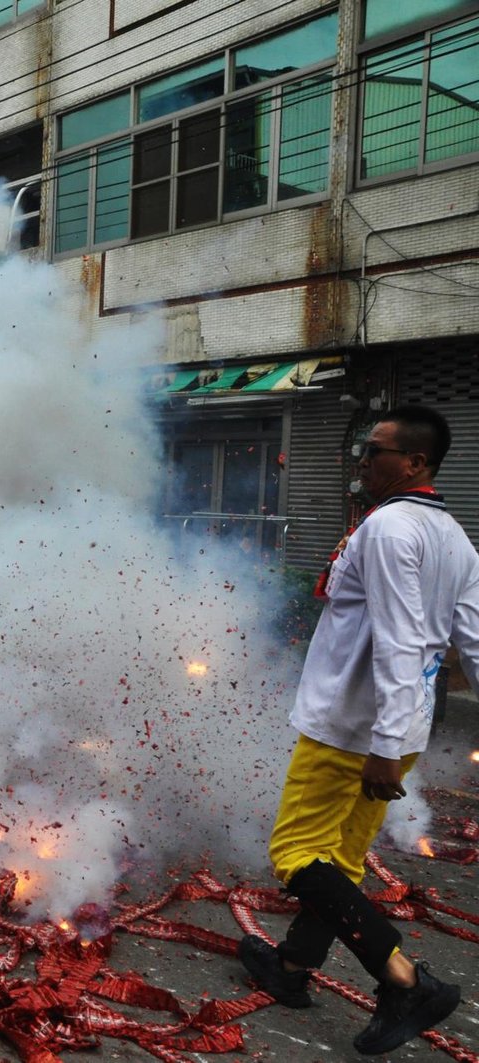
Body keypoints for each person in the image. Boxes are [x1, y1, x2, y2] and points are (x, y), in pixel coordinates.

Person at [240, 405, 476, 1054]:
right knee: (339, 861)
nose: (361, 461)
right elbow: (474, 642)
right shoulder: (454, 537)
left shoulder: (390, 529)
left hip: (351, 730)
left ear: (416, 463)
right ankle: (292, 969)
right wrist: (400, 739)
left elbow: (401, 643)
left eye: (374, 451)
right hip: (393, 734)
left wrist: (383, 743)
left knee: (296, 854)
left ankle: (404, 980)